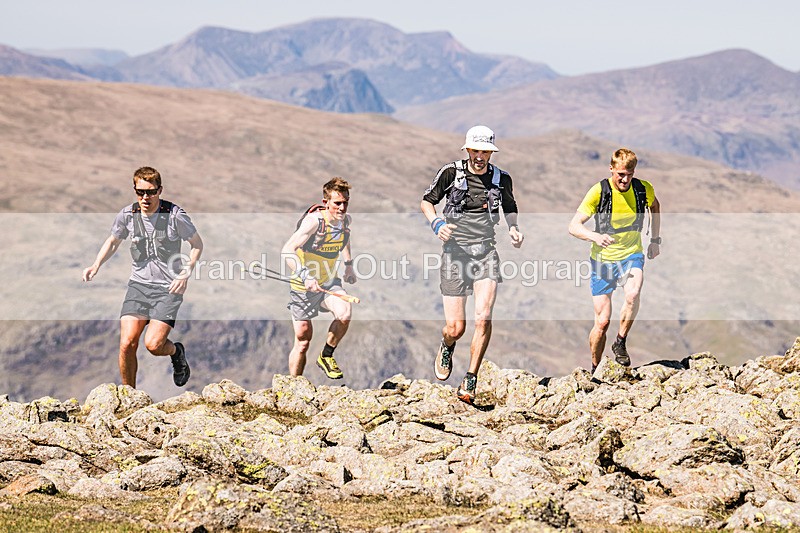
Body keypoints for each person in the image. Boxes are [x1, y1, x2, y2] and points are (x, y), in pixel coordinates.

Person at [421, 125, 524, 404]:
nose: (480, 156)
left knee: (484, 316)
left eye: (485, 151)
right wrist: (437, 223)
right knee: (456, 327)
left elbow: (510, 208)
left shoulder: (502, 179)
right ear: (468, 150)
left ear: (491, 153)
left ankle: (470, 378)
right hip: (455, 254)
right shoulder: (451, 173)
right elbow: (427, 202)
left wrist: (513, 228)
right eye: (476, 150)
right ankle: (447, 344)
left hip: (486, 253)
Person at [82, 166, 203, 388]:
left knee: (154, 345)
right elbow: (113, 241)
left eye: (150, 192)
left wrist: (185, 274)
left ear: (160, 190)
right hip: (138, 287)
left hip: (167, 289)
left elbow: (197, 245)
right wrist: (96, 265)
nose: (145, 198)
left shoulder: (175, 216)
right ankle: (130, 395)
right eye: (140, 192)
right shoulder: (128, 215)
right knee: (127, 343)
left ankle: (176, 352)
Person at [568, 148, 661, 373]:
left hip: (631, 254)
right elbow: (573, 226)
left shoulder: (643, 189)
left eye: (629, 174)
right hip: (602, 260)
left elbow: (655, 206)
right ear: (611, 169)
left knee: (633, 293)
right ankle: (595, 368)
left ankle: (620, 341)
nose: (625, 179)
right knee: (601, 322)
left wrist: (655, 239)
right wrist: (595, 236)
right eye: (620, 174)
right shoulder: (599, 192)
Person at [281, 177, 357, 379]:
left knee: (344, 312)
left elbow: (345, 238)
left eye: (345, 203)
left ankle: (326, 356)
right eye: (337, 203)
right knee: (303, 339)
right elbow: (287, 250)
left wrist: (348, 266)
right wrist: (305, 276)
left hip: (328, 283)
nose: (342, 208)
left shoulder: (344, 221)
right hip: (302, 286)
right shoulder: (314, 222)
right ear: (326, 203)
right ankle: (293, 384)